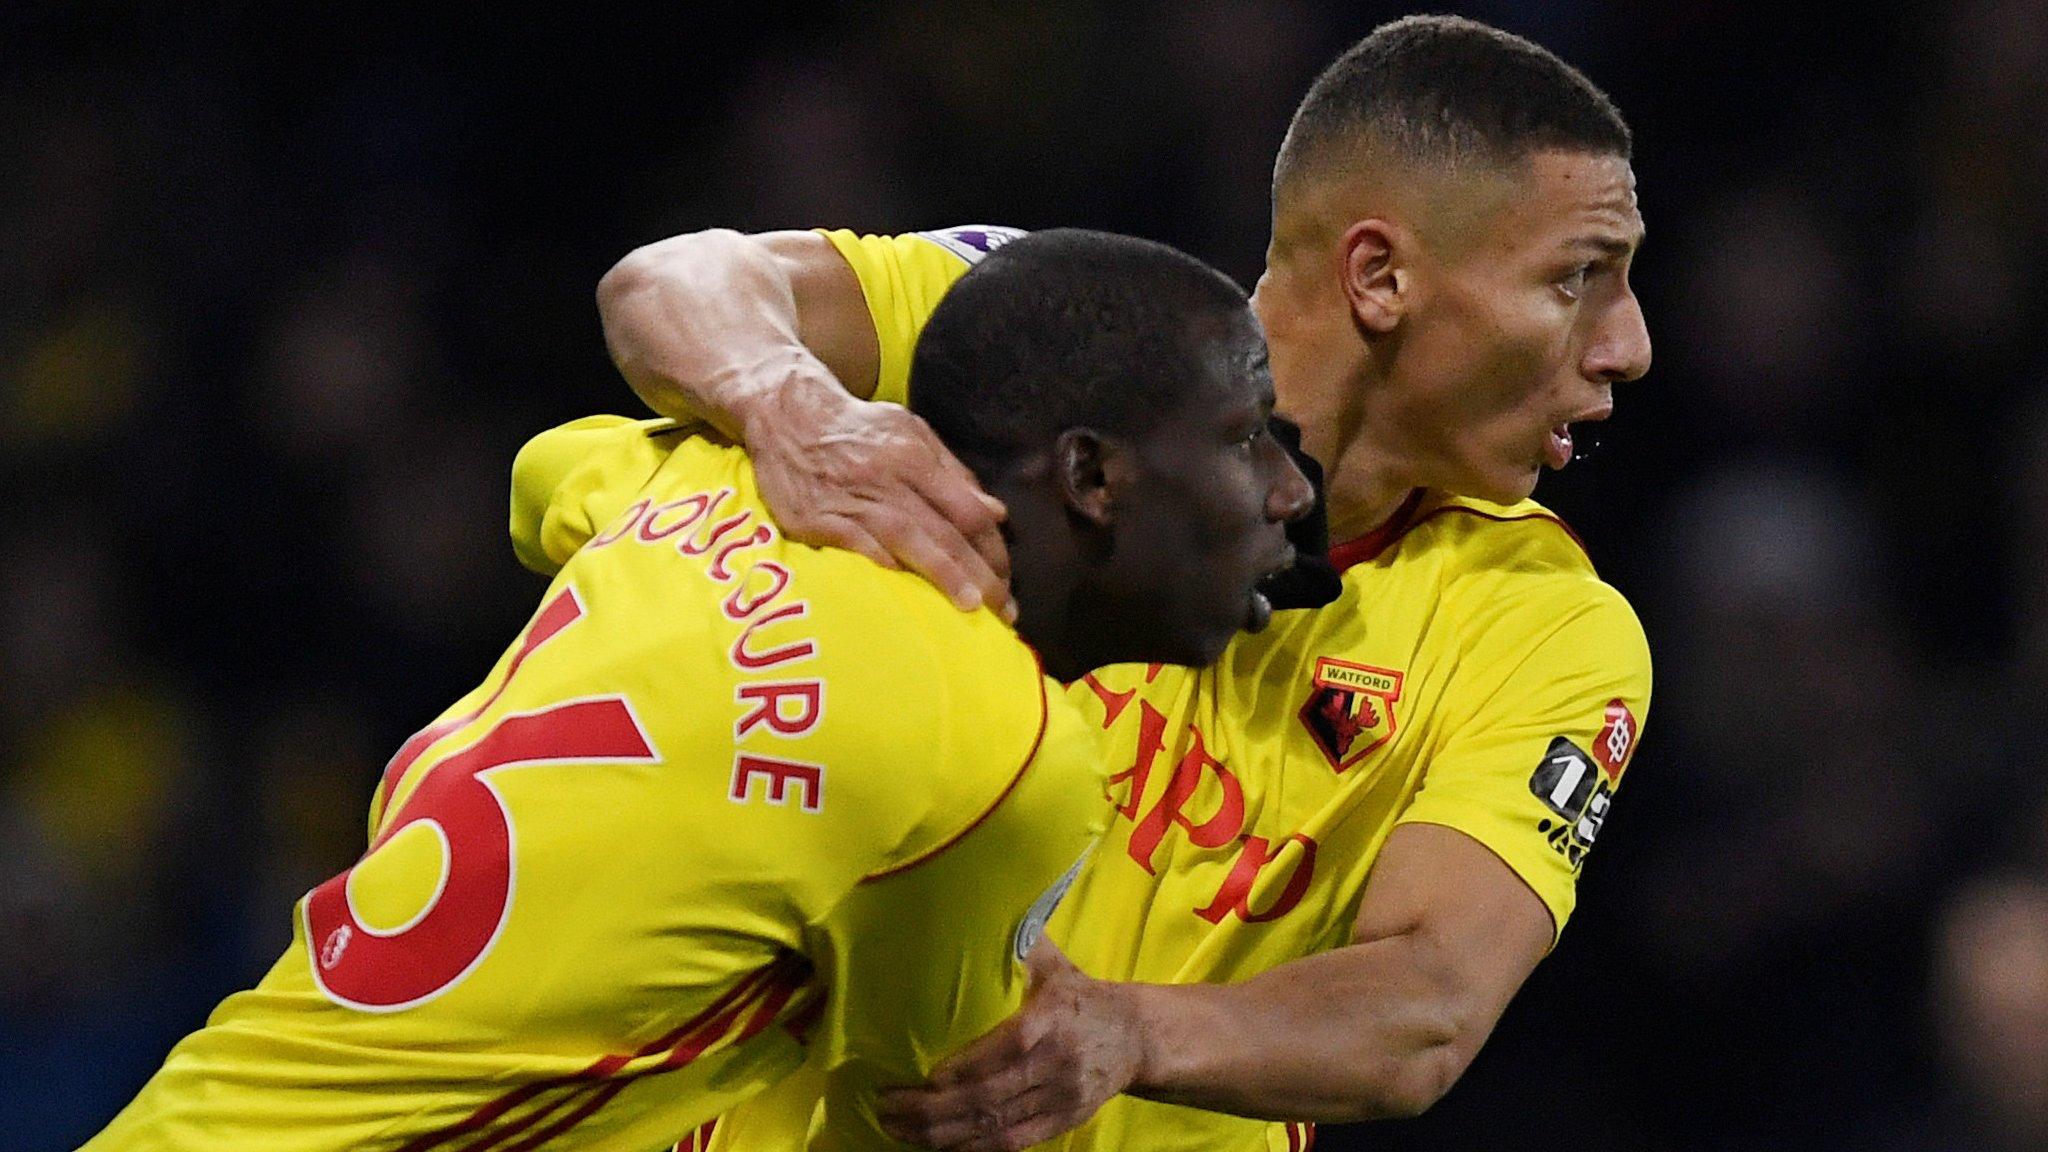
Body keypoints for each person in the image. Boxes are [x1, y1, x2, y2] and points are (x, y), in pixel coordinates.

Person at [582, 14, 1653, 1151]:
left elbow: (1428, 1003)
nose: (1625, 344)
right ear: (1378, 275)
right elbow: (677, 281)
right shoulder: (1052, 335)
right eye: (1576, 279)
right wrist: (793, 411)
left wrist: (1126, 1034)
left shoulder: (1545, 622)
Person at [81, 230, 1311, 1152]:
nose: (1287, 494)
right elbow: (939, 1103)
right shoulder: (1000, 754)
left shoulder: (709, 481)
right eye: (1247, 435)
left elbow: (540, 476)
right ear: (1091, 477)